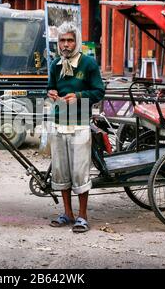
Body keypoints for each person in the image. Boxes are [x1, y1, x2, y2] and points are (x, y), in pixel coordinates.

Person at [47, 22, 105, 233]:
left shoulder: (88, 64)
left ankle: (83, 216)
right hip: (58, 122)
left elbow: (99, 92)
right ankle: (67, 213)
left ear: (77, 42)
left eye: (70, 40)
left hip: (80, 124)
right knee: (61, 172)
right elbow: (51, 87)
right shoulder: (55, 65)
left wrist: (79, 96)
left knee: (80, 172)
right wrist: (51, 93)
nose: (66, 44)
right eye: (62, 40)